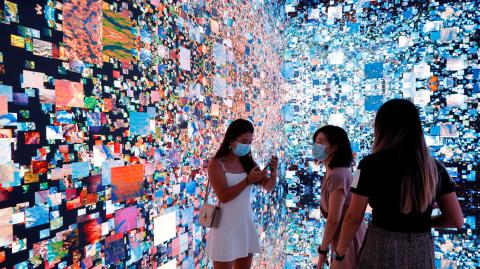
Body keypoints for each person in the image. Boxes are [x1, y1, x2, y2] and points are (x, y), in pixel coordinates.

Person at [331, 99, 464, 269]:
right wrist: (421, 222)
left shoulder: (368, 165)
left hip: (380, 248)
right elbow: (456, 220)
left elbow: (353, 217)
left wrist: (339, 255)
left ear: (381, 128)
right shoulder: (435, 168)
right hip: (422, 250)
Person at [206, 119, 278, 269]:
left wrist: (273, 172)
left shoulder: (249, 163)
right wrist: (247, 180)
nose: (247, 146)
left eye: (250, 142)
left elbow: (268, 186)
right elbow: (223, 197)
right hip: (223, 226)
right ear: (231, 140)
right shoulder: (217, 163)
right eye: (244, 141)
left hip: (245, 225)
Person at [312, 125, 366, 269]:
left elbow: (333, 219)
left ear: (334, 148)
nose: (315, 146)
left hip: (347, 237)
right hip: (342, 235)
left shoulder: (338, 174)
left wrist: (322, 250)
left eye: (320, 142)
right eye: (315, 141)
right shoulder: (332, 171)